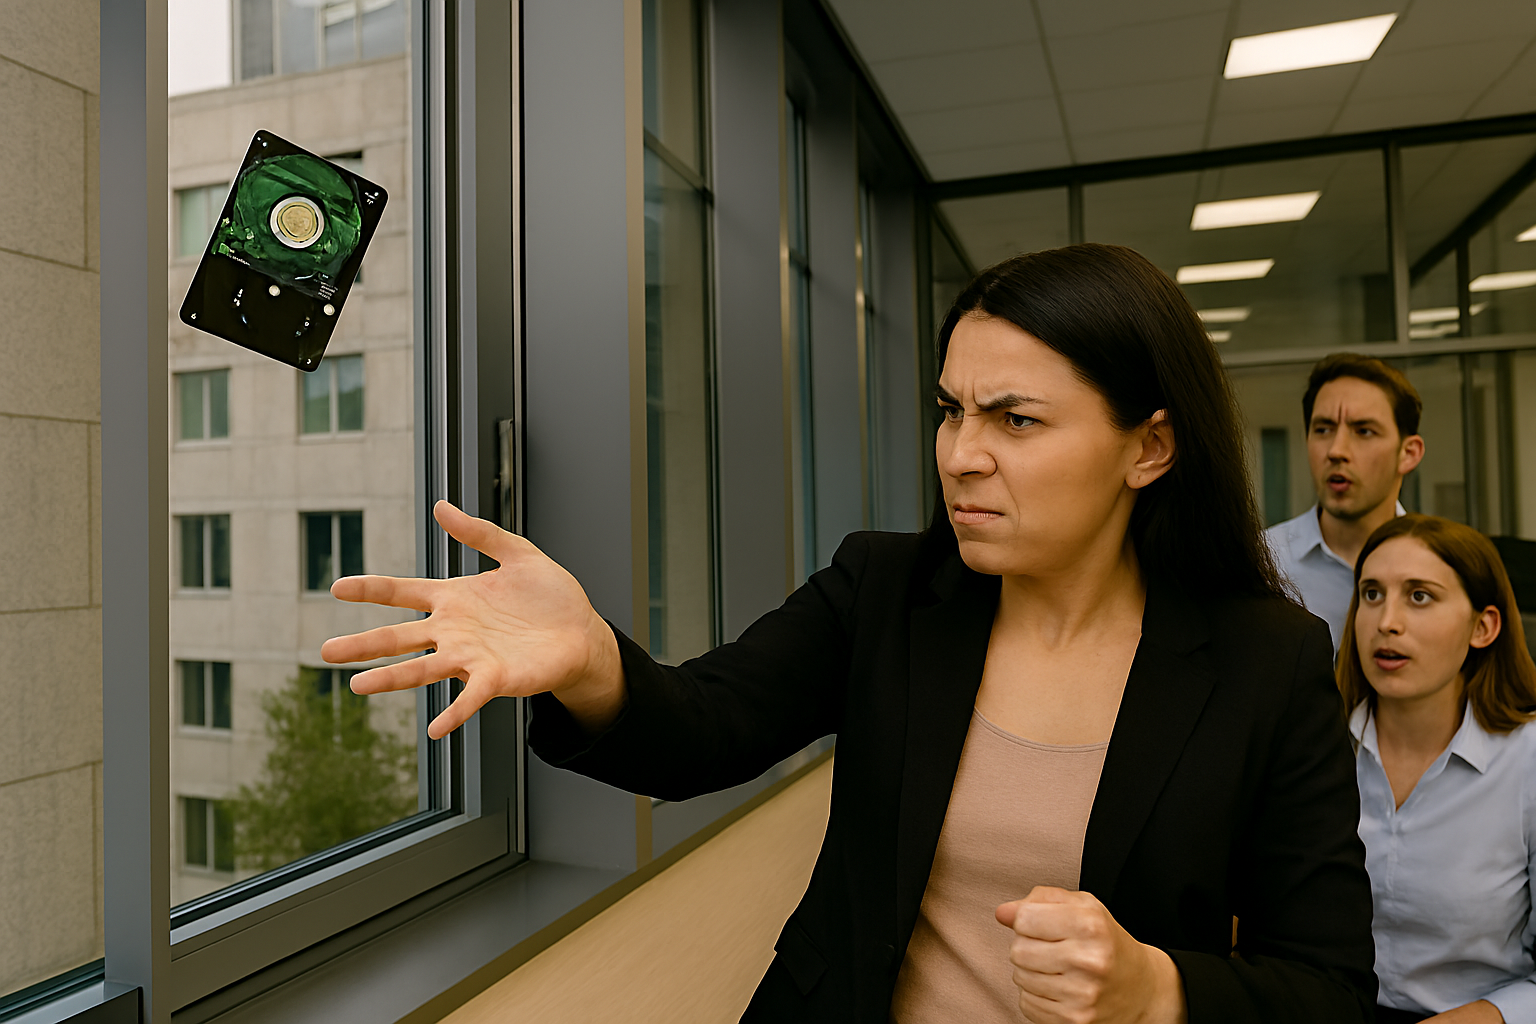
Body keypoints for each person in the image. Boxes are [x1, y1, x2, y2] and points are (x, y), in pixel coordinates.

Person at [321, 244, 1376, 1023]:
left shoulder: (1266, 662)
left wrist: (1158, 989)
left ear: (1149, 447)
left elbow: (1329, 990)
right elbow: (704, 729)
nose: (960, 454)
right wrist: (596, 660)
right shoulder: (888, 591)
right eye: (951, 410)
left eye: (1015, 419)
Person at [1338, 514, 1536, 1024]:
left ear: (1483, 627)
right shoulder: (1315, 744)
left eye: (1419, 596)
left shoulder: (1527, 759)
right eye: (1372, 594)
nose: (1387, 621)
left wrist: (1485, 1017)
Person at [1266, 354, 1425, 651]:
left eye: (1364, 431)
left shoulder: (1439, 567)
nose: (1336, 451)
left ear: (1408, 453)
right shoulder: (1263, 565)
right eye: (1323, 429)